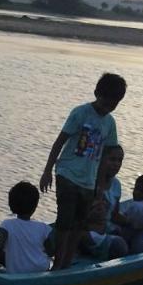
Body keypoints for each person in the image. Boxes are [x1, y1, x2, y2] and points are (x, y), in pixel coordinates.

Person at [39, 73, 126, 270]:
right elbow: (59, 142)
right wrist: (47, 171)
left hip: (88, 181)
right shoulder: (80, 113)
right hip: (67, 174)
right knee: (64, 222)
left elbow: (106, 154)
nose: (109, 107)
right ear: (97, 94)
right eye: (107, 102)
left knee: (79, 225)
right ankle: (57, 267)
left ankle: (66, 264)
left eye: (114, 104)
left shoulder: (110, 123)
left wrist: (100, 185)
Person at [0, 181, 52, 273]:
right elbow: (50, 251)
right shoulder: (43, 228)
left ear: (11, 205)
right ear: (35, 206)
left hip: (17, 270)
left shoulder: (7, 225)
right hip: (41, 268)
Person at [81, 145, 128, 260]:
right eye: (112, 159)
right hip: (89, 233)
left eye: (119, 160)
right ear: (101, 160)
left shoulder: (116, 184)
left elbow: (114, 215)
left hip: (107, 230)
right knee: (119, 245)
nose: (116, 164)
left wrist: (132, 221)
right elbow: (80, 217)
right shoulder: (90, 183)